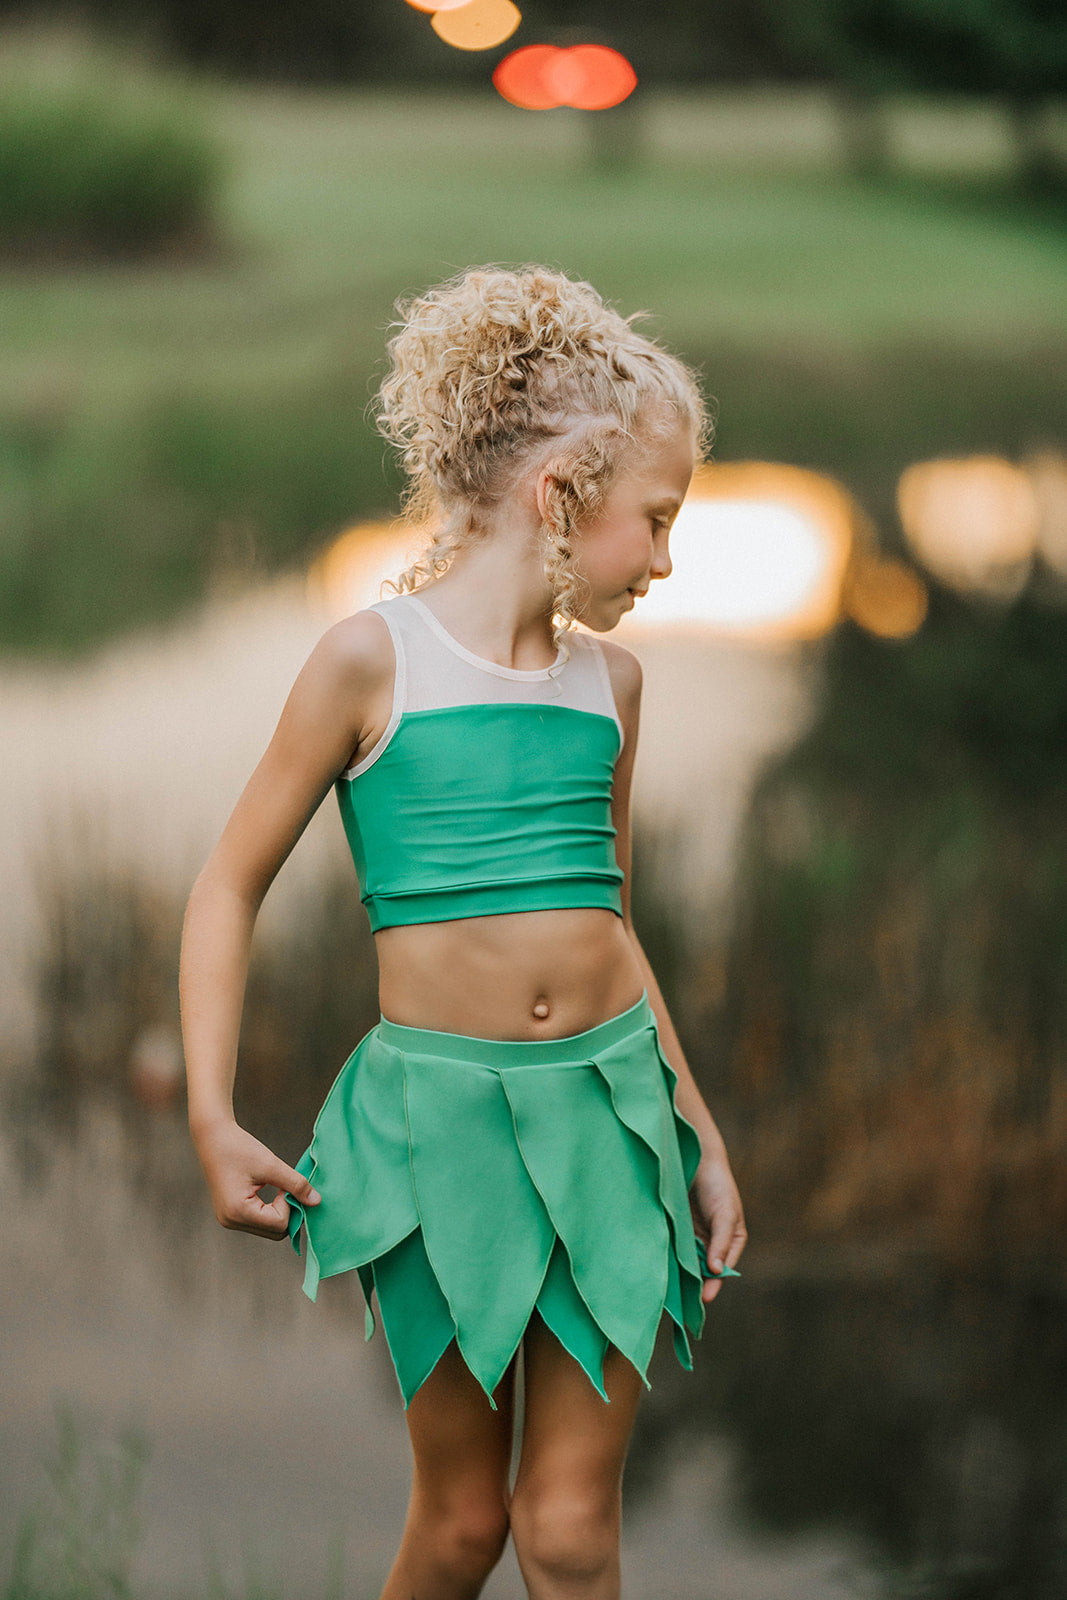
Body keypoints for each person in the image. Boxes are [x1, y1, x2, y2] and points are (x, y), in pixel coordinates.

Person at [179, 263, 747, 1600]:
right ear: (562, 492)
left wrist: (698, 1126)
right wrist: (210, 1111)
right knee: (458, 1529)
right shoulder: (369, 664)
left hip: (610, 1127)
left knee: (566, 1532)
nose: (666, 560)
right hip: (437, 1141)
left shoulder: (615, 682)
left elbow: (609, 921)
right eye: (656, 522)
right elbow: (225, 887)